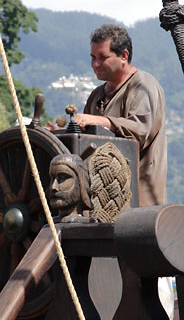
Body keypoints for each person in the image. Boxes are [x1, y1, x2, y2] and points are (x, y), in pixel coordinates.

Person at [48, 24, 167, 208]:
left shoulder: (143, 85)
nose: (95, 64)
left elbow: (140, 131)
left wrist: (100, 120)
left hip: (139, 202)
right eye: (93, 58)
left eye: (103, 58)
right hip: (101, 201)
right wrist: (60, 135)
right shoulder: (96, 95)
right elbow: (87, 144)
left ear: (124, 56)